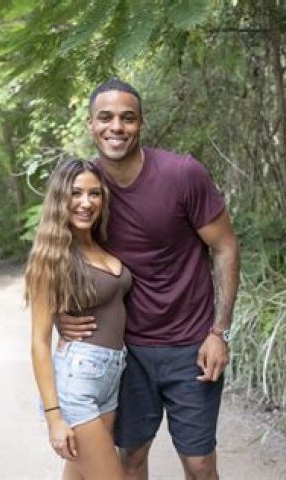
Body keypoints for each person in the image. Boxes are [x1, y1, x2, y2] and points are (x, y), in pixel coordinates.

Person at [59, 79, 240, 480]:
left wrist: (219, 331)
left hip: (191, 346)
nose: (116, 127)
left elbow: (225, 246)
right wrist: (60, 315)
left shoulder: (182, 174)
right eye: (105, 117)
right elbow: (59, 252)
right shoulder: (87, 189)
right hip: (125, 352)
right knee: (130, 458)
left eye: (127, 118)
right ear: (90, 124)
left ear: (141, 123)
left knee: (200, 465)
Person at [25, 158, 132, 480]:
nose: (86, 203)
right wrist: (53, 417)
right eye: (76, 193)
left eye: (94, 193)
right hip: (78, 379)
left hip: (111, 376)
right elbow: (39, 342)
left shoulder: (101, 244)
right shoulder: (52, 257)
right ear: (61, 198)